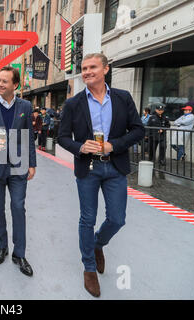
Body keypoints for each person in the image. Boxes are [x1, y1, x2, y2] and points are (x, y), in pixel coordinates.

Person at [58, 53, 144, 297]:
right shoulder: (74, 103)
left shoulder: (123, 98)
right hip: (88, 169)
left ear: (105, 69)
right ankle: (89, 268)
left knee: (117, 219)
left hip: (115, 166)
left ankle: (97, 244)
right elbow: (62, 137)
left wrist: (113, 145)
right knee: (87, 218)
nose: (87, 72)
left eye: (92, 67)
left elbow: (138, 130)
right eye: (84, 68)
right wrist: (80, 147)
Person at [0, 65, 37, 277]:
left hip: (19, 167)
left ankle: (19, 254)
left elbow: (29, 136)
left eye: (4, 81)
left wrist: (32, 163)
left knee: (18, 207)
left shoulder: (26, 106)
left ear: (15, 85)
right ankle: (2, 247)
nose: (0, 84)